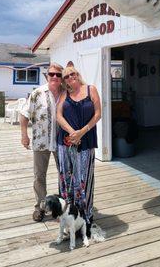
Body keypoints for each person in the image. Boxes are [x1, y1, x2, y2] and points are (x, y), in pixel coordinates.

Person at [56, 66, 101, 236]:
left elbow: (98, 114)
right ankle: (68, 216)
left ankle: (86, 217)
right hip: (65, 142)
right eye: (66, 76)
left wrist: (82, 131)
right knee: (67, 179)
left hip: (86, 141)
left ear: (78, 74)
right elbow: (58, 116)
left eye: (72, 74)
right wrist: (71, 132)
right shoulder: (63, 94)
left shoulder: (91, 89)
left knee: (84, 180)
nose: (70, 77)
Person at [19, 63, 64, 222]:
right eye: (52, 74)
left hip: (62, 143)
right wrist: (24, 135)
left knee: (64, 175)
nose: (55, 77)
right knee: (39, 176)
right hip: (41, 142)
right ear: (47, 75)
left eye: (58, 75)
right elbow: (24, 114)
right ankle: (40, 207)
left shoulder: (66, 93)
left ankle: (62, 208)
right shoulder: (37, 93)